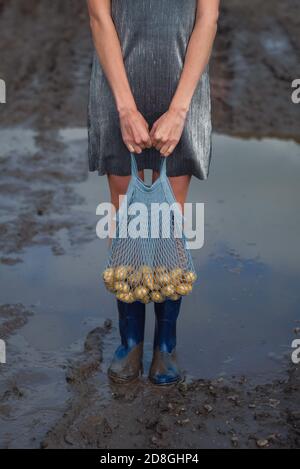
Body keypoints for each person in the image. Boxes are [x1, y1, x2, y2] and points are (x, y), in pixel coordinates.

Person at [87, 0, 219, 385]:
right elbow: (99, 16)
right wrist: (125, 108)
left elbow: (207, 17)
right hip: (117, 87)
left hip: (183, 86)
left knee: (169, 217)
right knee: (126, 216)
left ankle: (165, 344)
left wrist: (180, 110)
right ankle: (129, 342)